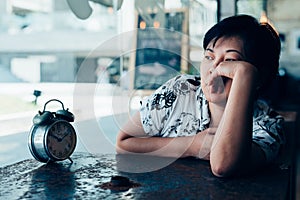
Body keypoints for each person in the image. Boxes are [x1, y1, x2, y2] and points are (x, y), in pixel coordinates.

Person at [116, 14, 285, 177]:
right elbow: (124, 143)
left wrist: (244, 73)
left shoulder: (267, 125)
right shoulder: (180, 90)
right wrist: (191, 145)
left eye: (231, 61)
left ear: (258, 78)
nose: (214, 68)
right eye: (209, 56)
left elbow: (223, 166)